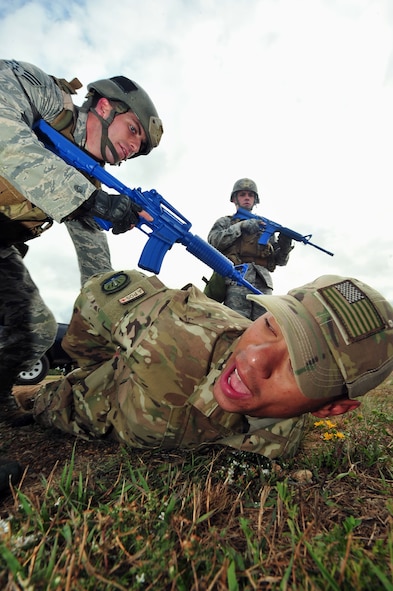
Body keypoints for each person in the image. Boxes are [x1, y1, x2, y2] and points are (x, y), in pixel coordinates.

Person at [12, 269, 393, 463]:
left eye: (298, 368)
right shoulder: (172, 337)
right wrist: (92, 364)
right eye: (268, 325)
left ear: (330, 408)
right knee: (43, 401)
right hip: (79, 401)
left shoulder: (283, 440)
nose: (253, 358)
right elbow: (102, 291)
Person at [0, 58, 164, 401]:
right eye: (133, 129)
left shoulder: (88, 181)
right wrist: (89, 200)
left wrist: (111, 321)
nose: (133, 147)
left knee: (35, 329)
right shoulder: (41, 93)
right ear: (104, 107)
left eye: (139, 150)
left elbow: (94, 261)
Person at [207, 178, 294, 320]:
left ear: (255, 200)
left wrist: (285, 246)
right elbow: (214, 242)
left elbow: (280, 261)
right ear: (234, 199)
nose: (247, 198)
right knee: (237, 324)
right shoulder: (226, 222)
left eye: (250, 195)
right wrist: (240, 227)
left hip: (263, 283)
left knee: (264, 327)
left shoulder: (265, 226)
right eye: (242, 194)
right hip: (237, 279)